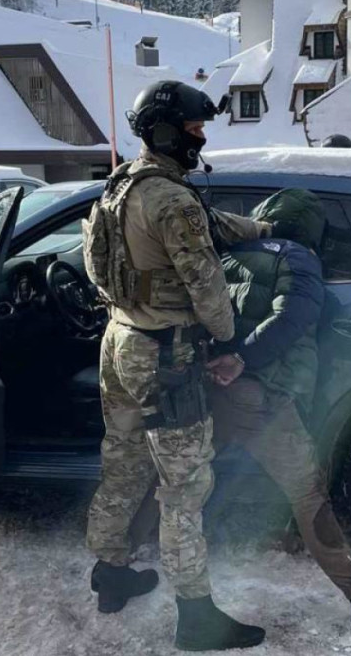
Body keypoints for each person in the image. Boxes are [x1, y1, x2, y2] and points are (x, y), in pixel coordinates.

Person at [82, 80, 268, 651]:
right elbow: (208, 287)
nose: (201, 137)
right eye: (194, 129)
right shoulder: (172, 199)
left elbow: (205, 228)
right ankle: (196, 616)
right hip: (166, 354)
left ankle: (110, 573)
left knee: (123, 462)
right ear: (166, 132)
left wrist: (260, 228)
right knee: (185, 488)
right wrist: (230, 340)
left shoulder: (122, 184)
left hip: (120, 339)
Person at [208, 188, 351, 636]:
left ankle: (120, 569)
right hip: (264, 396)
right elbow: (292, 317)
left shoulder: (232, 254)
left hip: (213, 391)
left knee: (178, 483)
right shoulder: (298, 258)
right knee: (308, 494)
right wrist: (244, 358)